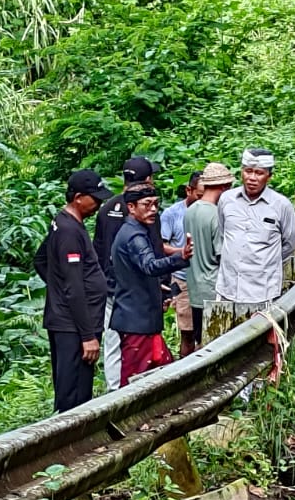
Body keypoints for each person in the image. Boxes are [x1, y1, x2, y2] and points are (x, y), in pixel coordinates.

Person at [33, 168, 113, 412]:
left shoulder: (63, 223)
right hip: (74, 327)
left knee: (76, 389)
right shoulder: (68, 231)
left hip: (69, 321)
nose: (99, 204)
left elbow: (41, 260)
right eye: (95, 198)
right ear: (78, 197)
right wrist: (88, 336)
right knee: (73, 397)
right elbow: (74, 287)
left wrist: (57, 289)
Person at [110, 185, 191, 385]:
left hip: (142, 318)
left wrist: (156, 290)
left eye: (156, 204)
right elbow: (150, 266)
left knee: (160, 369)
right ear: (131, 207)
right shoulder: (134, 236)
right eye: (147, 204)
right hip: (136, 320)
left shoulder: (134, 231)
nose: (153, 209)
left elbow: (137, 273)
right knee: (134, 379)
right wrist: (180, 256)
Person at [94, 154, 160, 390]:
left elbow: (98, 250)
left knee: (112, 342)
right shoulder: (146, 210)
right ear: (148, 179)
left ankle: (113, 391)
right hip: (137, 292)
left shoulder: (106, 208)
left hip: (110, 286)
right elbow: (155, 251)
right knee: (139, 345)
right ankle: (138, 390)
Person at [215, 149, 295, 315]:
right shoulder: (226, 200)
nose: (252, 178)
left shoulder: (281, 205)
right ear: (241, 172)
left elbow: (289, 244)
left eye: (259, 173)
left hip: (263, 291)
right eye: (248, 171)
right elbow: (223, 234)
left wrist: (265, 263)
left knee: (262, 337)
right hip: (228, 287)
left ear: (269, 176)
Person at [184, 161, 232, 348]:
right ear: (224, 187)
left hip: (195, 287)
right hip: (214, 288)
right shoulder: (215, 215)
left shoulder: (190, 211)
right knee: (214, 343)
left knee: (199, 340)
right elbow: (221, 254)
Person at [161, 171, 204, 357]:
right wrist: (184, 252)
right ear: (189, 190)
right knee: (187, 332)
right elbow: (161, 245)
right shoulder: (172, 214)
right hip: (182, 280)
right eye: (200, 195)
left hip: (208, 280)